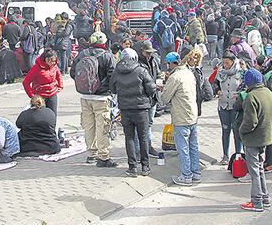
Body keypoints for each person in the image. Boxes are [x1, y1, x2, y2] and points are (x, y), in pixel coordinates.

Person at [70, 31, 117, 167]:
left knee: (89, 126)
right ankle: (103, 156)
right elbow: (112, 76)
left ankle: (91, 154)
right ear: (103, 42)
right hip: (101, 97)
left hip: (84, 96)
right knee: (102, 126)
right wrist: (103, 88)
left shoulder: (82, 54)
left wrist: (85, 85)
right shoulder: (107, 56)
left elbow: (73, 72)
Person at [110, 47, 157, 177]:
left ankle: (132, 167)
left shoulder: (117, 72)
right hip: (141, 109)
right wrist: (147, 97)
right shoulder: (141, 70)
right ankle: (145, 167)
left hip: (125, 110)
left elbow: (112, 88)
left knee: (129, 138)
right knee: (143, 138)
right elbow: (152, 88)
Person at [160, 51, 201, 186]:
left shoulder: (175, 77)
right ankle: (196, 173)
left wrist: (163, 88)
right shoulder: (189, 73)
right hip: (193, 115)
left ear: (171, 63)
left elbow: (165, 98)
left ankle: (186, 175)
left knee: (183, 147)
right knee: (193, 146)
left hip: (181, 116)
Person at [239, 69, 272, 213]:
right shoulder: (269, 93)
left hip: (253, 139)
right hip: (266, 137)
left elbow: (250, 122)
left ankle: (257, 201)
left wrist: (241, 131)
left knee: (254, 171)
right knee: (260, 169)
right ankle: (265, 197)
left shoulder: (250, 97)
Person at [213, 52, 245, 164]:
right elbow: (215, 84)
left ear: (233, 62)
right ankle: (225, 156)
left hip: (236, 106)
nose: (225, 65)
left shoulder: (241, 72)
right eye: (224, 62)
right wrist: (217, 91)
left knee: (237, 130)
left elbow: (245, 87)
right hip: (223, 105)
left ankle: (238, 155)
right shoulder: (220, 72)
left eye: (227, 63)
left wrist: (240, 94)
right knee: (225, 130)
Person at [22, 49, 63, 117]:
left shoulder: (54, 66)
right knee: (40, 116)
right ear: (45, 59)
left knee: (53, 115)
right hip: (40, 95)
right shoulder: (36, 68)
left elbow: (59, 75)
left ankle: (52, 127)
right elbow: (26, 82)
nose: (52, 63)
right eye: (49, 60)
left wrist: (60, 86)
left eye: (53, 61)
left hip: (52, 93)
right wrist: (32, 96)